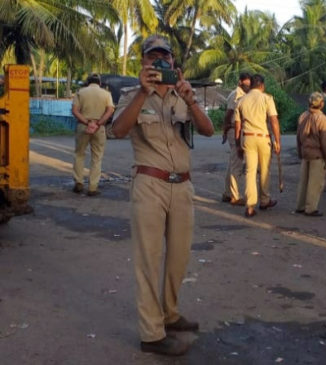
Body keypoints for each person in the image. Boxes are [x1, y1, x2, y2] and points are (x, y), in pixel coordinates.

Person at [111, 35, 215, 356]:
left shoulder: (183, 97)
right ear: (142, 63)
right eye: (152, 58)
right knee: (149, 260)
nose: (158, 64)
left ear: (173, 63)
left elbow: (209, 130)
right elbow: (118, 130)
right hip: (149, 184)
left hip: (182, 186)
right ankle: (151, 333)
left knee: (179, 257)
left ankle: (169, 314)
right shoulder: (132, 95)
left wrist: (190, 98)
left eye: (164, 59)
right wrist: (143, 92)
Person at [234, 74, 281, 218]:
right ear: (262, 85)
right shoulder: (267, 98)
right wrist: (278, 141)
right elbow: (273, 121)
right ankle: (264, 200)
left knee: (250, 172)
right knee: (265, 170)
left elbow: (237, 126)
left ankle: (250, 206)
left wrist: (238, 145)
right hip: (263, 138)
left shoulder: (241, 100)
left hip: (248, 138)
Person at [71, 73, 115, 196]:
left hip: (83, 126)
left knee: (79, 154)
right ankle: (92, 187)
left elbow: (74, 110)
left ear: (88, 82)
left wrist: (87, 122)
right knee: (97, 157)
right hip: (99, 128)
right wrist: (98, 123)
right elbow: (110, 110)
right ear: (99, 83)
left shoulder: (81, 92)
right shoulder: (106, 94)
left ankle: (78, 182)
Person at [295, 92, 326, 217]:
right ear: (321, 104)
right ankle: (311, 208)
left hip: (305, 152)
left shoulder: (303, 116)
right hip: (317, 155)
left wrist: (300, 152)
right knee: (315, 183)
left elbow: (298, 137)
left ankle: (300, 206)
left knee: (304, 182)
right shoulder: (323, 120)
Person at [221, 73, 251, 205]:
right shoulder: (236, 94)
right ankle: (235, 196)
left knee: (232, 163)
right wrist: (225, 128)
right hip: (235, 129)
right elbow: (229, 114)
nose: (248, 86)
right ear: (240, 82)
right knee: (237, 163)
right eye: (246, 83)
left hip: (236, 129)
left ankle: (228, 193)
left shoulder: (244, 95)